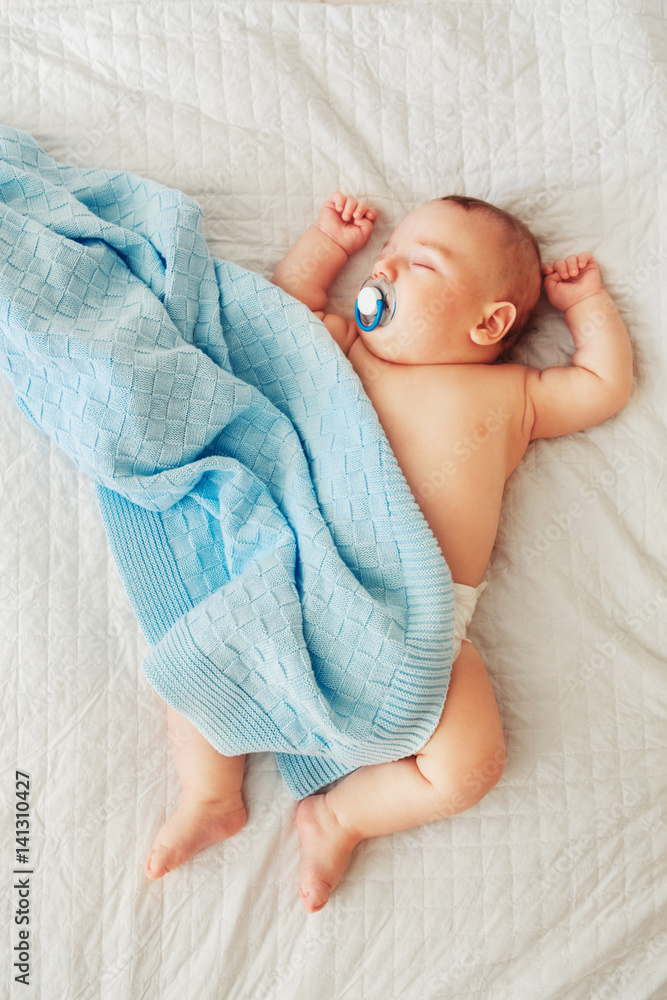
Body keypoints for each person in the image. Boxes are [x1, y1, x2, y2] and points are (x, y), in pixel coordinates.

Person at [145, 192, 633, 914]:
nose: (387, 269)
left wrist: (585, 302)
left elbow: (602, 385)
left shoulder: (512, 396)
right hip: (308, 575)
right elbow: (285, 322)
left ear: (489, 322)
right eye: (386, 255)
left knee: (471, 763)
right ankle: (211, 794)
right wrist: (326, 245)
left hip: (427, 623)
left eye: (418, 264)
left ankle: (341, 815)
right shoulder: (344, 353)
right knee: (200, 652)